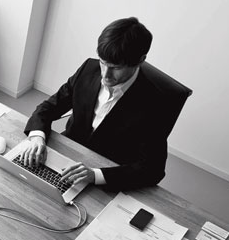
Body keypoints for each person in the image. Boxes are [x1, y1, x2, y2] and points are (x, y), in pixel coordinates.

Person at [20, 17, 188, 192]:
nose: (105, 75)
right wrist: (37, 137)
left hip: (109, 177)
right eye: (102, 63)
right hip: (67, 155)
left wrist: (96, 175)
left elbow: (153, 170)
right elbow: (49, 107)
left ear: (140, 60)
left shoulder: (157, 104)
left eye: (115, 68)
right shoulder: (88, 69)